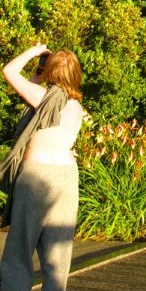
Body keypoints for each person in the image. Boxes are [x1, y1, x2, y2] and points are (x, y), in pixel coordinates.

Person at [0, 43, 84, 291]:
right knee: (57, 251)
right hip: (66, 179)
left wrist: (34, 52)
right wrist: (36, 79)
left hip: (38, 177)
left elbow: (8, 71)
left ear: (52, 71)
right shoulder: (75, 106)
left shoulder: (45, 98)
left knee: (20, 249)